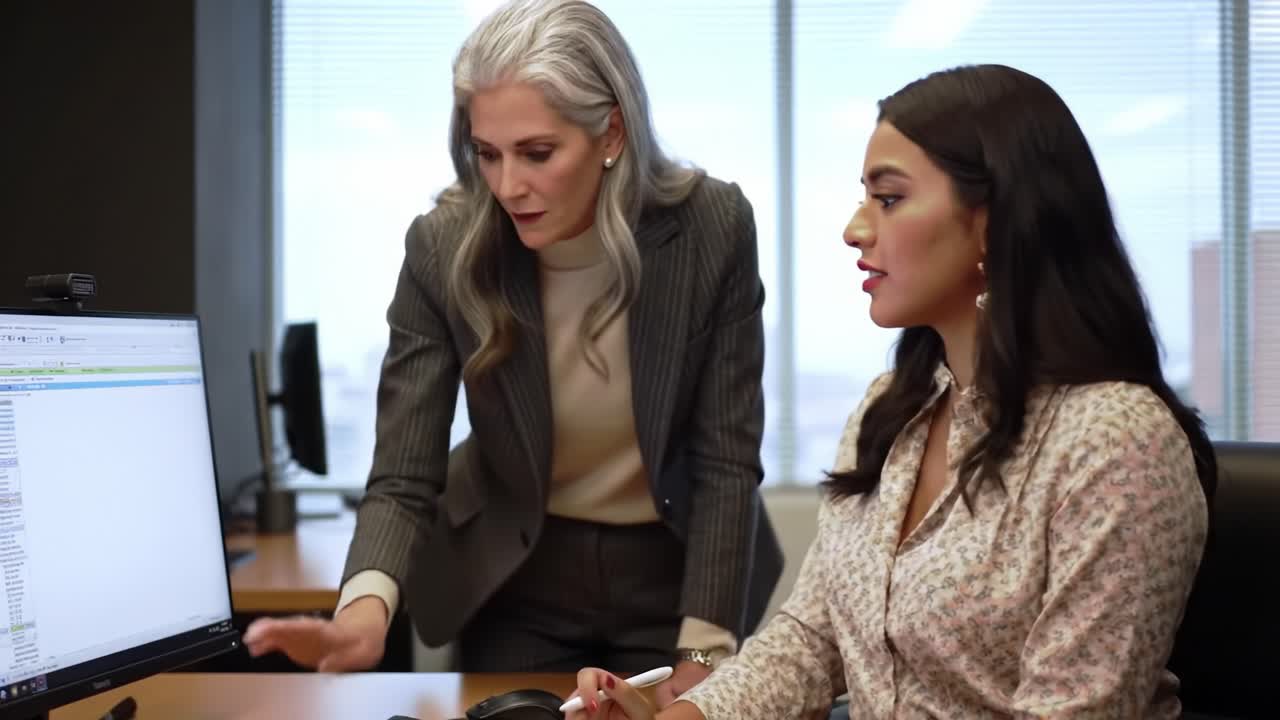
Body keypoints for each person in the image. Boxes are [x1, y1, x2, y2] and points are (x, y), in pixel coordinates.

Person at [567, 63, 1217, 719]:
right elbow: (809, 643)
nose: (856, 229)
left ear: (993, 223)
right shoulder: (893, 408)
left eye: (889, 198)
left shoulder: (1116, 445)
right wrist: (673, 718)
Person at [242, 0, 782, 700]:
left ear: (611, 130)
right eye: (486, 154)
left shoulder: (712, 228)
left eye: (537, 153)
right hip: (517, 570)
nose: (507, 186)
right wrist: (362, 611)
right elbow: (404, 474)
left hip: (673, 568)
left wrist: (704, 658)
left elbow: (725, 462)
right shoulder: (444, 245)